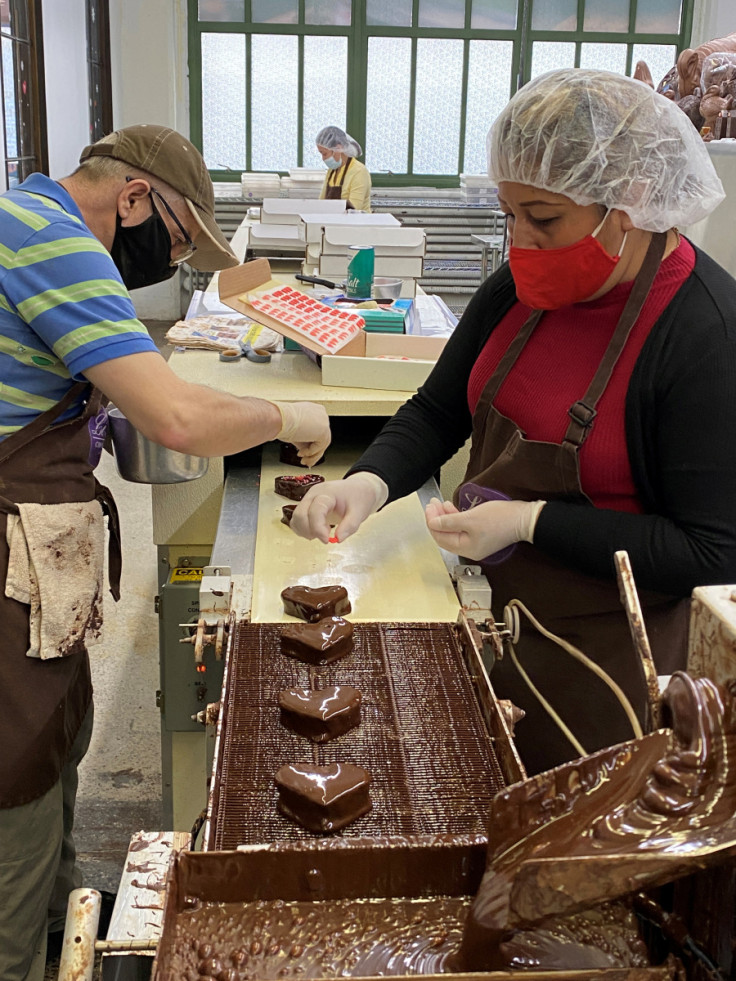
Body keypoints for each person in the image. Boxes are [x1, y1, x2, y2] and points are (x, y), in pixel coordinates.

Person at [292, 69, 736, 777]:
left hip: (608, 670)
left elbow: (714, 550)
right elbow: (439, 410)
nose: (522, 240)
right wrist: (371, 482)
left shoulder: (703, 332)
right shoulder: (520, 289)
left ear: (632, 202)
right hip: (487, 620)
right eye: (509, 215)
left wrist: (530, 523)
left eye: (545, 218)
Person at [0, 123, 331, 981]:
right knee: (13, 776)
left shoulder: (24, 215)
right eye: (178, 239)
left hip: (33, 569)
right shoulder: (61, 245)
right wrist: (286, 418)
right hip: (4, 568)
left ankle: (62, 925)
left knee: (52, 735)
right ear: (136, 196)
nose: (169, 259)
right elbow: (175, 418)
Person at [316, 125, 372, 212]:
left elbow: (354, 210)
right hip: (335, 222)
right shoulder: (332, 171)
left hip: (355, 224)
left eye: (324, 153)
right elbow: (321, 203)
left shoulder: (359, 171)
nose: (323, 159)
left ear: (338, 148)